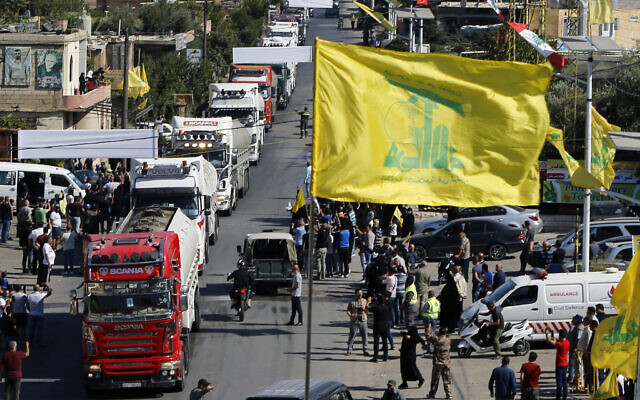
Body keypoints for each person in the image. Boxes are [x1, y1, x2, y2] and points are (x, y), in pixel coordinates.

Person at [426, 326, 452, 399]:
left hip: (438, 363)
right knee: (447, 379)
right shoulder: (448, 339)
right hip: (446, 362)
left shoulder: (437, 340)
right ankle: (448, 393)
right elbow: (444, 335)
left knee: (435, 379)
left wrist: (428, 329)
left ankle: (432, 394)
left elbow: (428, 337)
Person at [545, 328, 570, 400]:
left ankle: (558, 396)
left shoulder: (560, 344)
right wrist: (555, 340)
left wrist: (547, 334)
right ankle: (565, 396)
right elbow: (557, 344)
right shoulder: (567, 342)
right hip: (565, 363)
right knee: (564, 380)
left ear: (560, 336)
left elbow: (549, 341)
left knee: (559, 382)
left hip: (559, 364)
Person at [346, 289, 370, 357]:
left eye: (361, 294)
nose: (360, 295)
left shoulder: (365, 301)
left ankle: (365, 350)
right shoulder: (352, 302)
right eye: (358, 294)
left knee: (365, 336)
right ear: (356, 294)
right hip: (354, 320)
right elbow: (348, 311)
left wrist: (365, 308)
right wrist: (351, 314)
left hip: (363, 320)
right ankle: (349, 350)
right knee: (352, 335)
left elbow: (367, 312)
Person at [370, 293, 391, 363]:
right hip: (385, 326)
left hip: (377, 326)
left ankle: (375, 357)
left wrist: (368, 302)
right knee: (385, 341)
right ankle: (385, 356)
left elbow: (367, 309)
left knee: (376, 342)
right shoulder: (386, 307)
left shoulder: (376, 307)